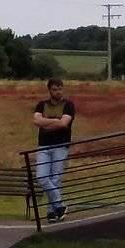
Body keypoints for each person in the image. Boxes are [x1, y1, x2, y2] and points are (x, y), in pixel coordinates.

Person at [32, 78, 76, 222]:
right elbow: (36, 121)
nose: (58, 92)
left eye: (60, 89)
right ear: (49, 90)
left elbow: (64, 124)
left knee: (55, 178)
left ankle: (52, 211)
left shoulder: (68, 105)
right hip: (44, 146)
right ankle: (60, 204)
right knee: (42, 177)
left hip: (60, 145)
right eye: (55, 89)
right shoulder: (41, 105)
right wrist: (55, 121)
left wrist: (46, 123)